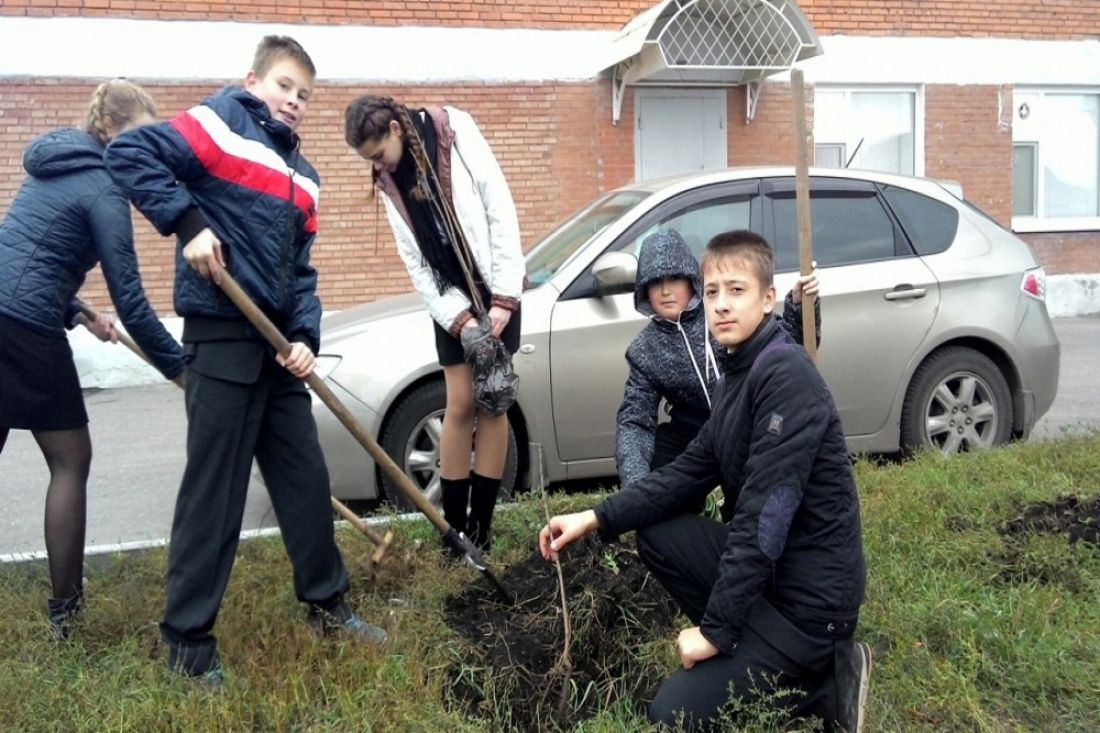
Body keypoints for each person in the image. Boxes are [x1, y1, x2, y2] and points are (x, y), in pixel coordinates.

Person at [105, 36, 386, 682]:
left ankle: (327, 602)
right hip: (223, 337)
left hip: (278, 349)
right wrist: (187, 223)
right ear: (253, 80)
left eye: (304, 95)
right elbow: (130, 153)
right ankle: (187, 642)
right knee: (216, 494)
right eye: (284, 86)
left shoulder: (305, 179)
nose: (294, 101)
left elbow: (303, 275)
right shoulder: (218, 123)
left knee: (306, 482)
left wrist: (307, 334)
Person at [539, 230, 870, 732]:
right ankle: (754, 643)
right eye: (713, 292)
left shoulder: (785, 374)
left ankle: (822, 679)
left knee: (672, 715)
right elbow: (684, 474)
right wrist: (594, 517)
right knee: (657, 532)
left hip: (810, 605)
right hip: (776, 578)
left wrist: (714, 632)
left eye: (736, 291)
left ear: (767, 298)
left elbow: (765, 515)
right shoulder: (740, 374)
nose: (720, 305)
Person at [0, 79, 183, 639]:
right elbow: (132, 298)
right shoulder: (105, 188)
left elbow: (32, 254)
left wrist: (79, 312)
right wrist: (181, 367)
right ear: (109, 130)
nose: (144, 150)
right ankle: (66, 613)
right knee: (71, 461)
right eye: (139, 136)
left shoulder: (53, 165)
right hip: (25, 331)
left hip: (12, 313)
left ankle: (65, 608)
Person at [344, 94, 524, 552]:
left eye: (379, 154)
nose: (378, 166)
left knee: (493, 404)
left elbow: (498, 207)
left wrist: (503, 298)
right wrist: (458, 318)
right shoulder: (389, 182)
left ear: (396, 131)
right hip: (451, 301)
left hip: (495, 285)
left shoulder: (454, 133)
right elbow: (416, 261)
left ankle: (481, 531)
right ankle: (453, 532)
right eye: (370, 161)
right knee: (460, 404)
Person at [616, 228, 820, 502]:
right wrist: (635, 490)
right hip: (696, 433)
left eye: (674, 278)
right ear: (644, 290)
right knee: (661, 452)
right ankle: (675, 520)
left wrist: (799, 304)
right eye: (655, 282)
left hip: (747, 419)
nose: (665, 290)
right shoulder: (645, 350)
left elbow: (790, 345)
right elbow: (635, 421)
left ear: (691, 280)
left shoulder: (721, 312)